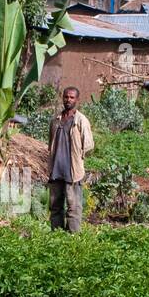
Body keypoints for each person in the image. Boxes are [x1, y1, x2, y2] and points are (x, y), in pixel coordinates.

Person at [47, 86, 94, 232]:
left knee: (73, 208)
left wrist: (78, 156)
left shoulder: (81, 120)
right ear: (63, 98)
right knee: (55, 206)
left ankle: (73, 237)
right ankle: (57, 235)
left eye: (72, 97)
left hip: (73, 172)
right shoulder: (56, 120)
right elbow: (51, 143)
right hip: (56, 170)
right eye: (66, 97)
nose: (68, 100)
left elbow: (89, 145)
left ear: (77, 100)